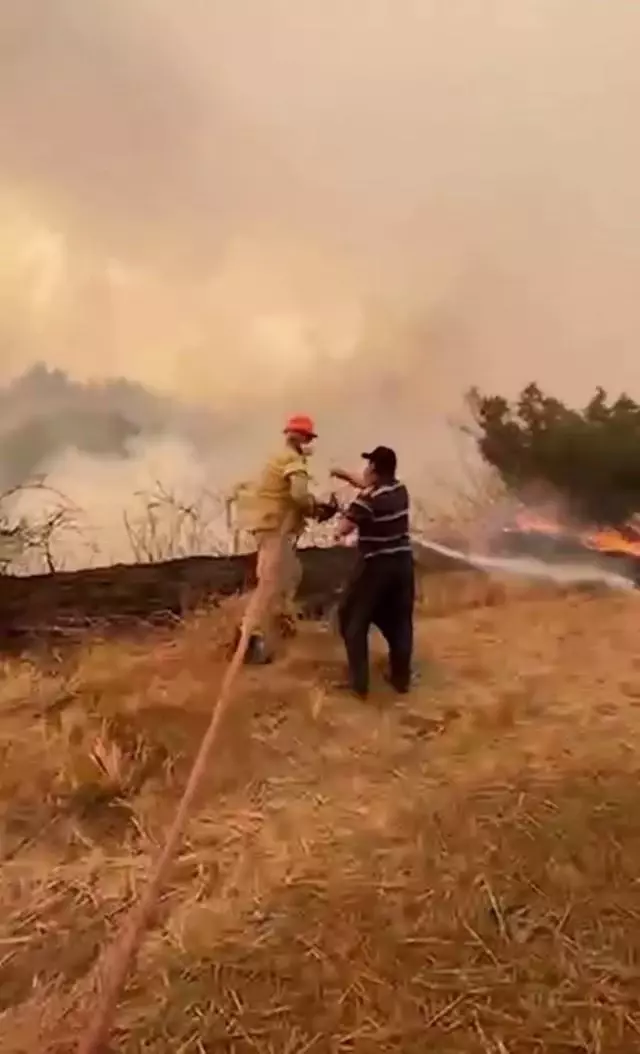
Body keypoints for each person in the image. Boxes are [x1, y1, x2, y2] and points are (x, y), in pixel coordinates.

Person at [237, 414, 337, 664]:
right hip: (276, 528)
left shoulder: (277, 457)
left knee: (291, 573)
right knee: (270, 582)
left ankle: (282, 621)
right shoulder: (293, 461)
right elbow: (299, 495)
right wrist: (318, 509)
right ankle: (250, 637)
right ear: (302, 438)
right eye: (307, 437)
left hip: (268, 525)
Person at [331, 446, 414, 698]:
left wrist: (341, 518)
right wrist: (345, 475)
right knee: (400, 622)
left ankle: (359, 684)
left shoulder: (367, 500)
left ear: (375, 470)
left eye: (369, 466)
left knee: (351, 618)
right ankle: (401, 680)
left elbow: (343, 529)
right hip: (403, 565)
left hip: (375, 567)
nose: (365, 470)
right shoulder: (399, 490)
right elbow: (369, 488)